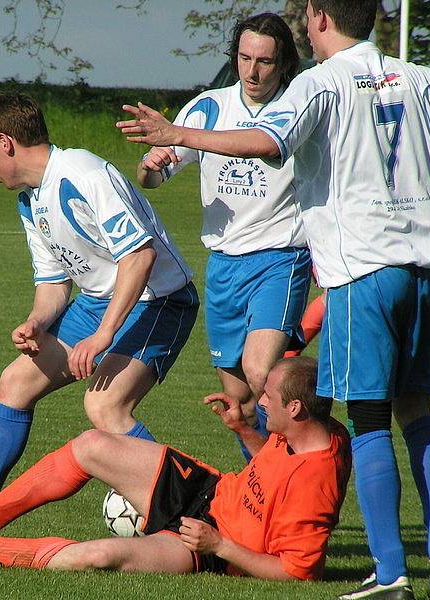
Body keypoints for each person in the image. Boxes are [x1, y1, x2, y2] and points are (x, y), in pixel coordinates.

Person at [115, 1, 430, 597]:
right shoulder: (419, 78)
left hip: (363, 271)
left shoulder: (320, 83)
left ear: (316, 17)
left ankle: (390, 574)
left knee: (366, 421)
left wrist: (175, 134)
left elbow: (268, 140)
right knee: (415, 411)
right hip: (429, 271)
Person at [0, 92, 199, 504]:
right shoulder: (31, 199)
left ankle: (192, 507)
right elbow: (54, 282)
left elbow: (140, 256)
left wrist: (102, 337)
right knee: (15, 382)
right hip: (99, 301)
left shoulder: (82, 174)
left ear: (6, 143)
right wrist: (36, 321)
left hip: (158, 299)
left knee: (105, 406)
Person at [0, 357, 351, 582]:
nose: (262, 399)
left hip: (209, 547)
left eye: (269, 395)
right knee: (92, 444)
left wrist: (220, 544)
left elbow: (299, 573)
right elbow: (270, 474)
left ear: (295, 408)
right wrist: (245, 430)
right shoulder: (308, 429)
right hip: (206, 493)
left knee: (96, 556)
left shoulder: (318, 482)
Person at [137, 13, 311, 461]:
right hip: (224, 267)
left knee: (260, 373)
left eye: (265, 62)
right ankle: (266, 488)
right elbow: (154, 177)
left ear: (283, 63)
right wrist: (151, 166)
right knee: (241, 402)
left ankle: (312, 469)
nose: (252, 72)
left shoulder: (299, 107)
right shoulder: (208, 107)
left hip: (280, 258)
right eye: (244, 58)